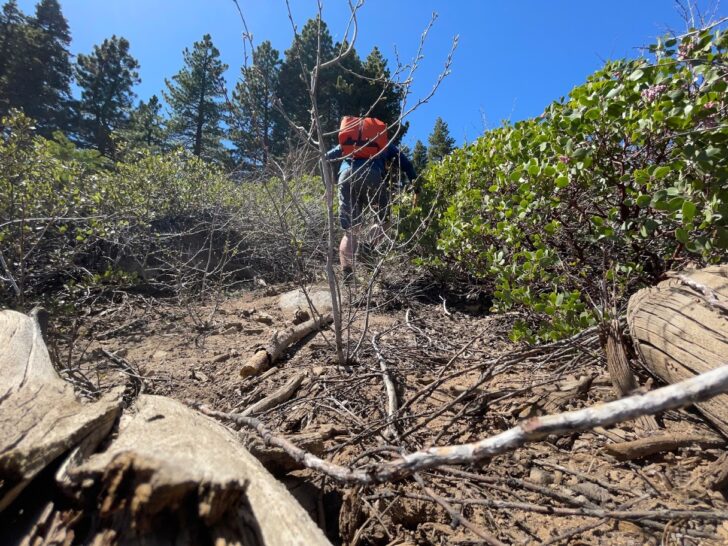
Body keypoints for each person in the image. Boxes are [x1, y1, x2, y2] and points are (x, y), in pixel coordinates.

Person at [325, 138, 418, 281]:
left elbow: (324, 158)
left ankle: (348, 275)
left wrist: (328, 186)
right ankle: (367, 247)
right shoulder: (382, 140)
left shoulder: (349, 139)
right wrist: (415, 185)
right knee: (384, 220)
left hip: (346, 176)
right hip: (372, 174)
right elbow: (406, 164)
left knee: (351, 230)